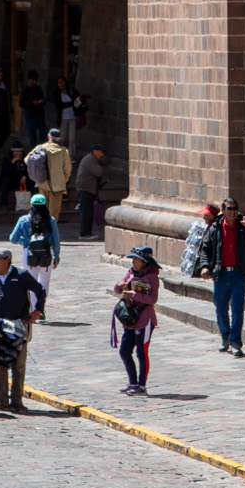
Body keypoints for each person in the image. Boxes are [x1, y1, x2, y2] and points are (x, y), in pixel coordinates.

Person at [0, 245, 37, 412]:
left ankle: (17, 401)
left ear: (8, 260)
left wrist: (37, 311)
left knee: (18, 366)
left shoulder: (21, 276)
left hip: (17, 327)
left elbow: (40, 290)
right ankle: (2, 402)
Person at [202, 195, 245, 354]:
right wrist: (205, 266)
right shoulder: (216, 228)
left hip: (239, 274)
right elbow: (206, 249)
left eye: (235, 209)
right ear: (223, 210)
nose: (233, 212)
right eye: (229, 209)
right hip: (221, 274)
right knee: (220, 307)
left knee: (237, 309)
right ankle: (225, 336)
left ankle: (235, 342)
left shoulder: (243, 226)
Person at [112, 243, 161, 393]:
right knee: (124, 351)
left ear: (144, 262)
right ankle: (132, 383)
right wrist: (119, 285)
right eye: (133, 260)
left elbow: (152, 299)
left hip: (145, 319)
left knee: (141, 353)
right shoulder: (130, 273)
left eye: (136, 260)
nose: (133, 263)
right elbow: (118, 289)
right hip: (131, 320)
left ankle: (142, 385)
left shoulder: (152, 277)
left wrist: (134, 295)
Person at [10, 193, 60, 319]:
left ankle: (34, 310)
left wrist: (25, 242)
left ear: (31, 205)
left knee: (32, 283)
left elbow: (13, 238)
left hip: (29, 253)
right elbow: (56, 240)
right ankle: (40, 309)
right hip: (47, 253)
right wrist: (57, 256)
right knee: (44, 282)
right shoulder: (50, 220)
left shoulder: (23, 220)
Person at [74, 143, 107, 239]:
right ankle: (84, 233)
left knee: (89, 212)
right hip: (85, 189)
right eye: (100, 152)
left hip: (88, 189)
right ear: (95, 151)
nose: (102, 155)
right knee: (86, 212)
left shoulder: (92, 159)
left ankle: (88, 233)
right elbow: (98, 172)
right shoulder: (89, 159)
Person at [19, 69, 47, 147]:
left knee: (43, 134)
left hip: (39, 115)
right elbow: (21, 103)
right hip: (30, 116)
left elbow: (44, 100)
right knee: (32, 137)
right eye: (33, 80)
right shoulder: (25, 90)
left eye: (35, 80)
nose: (34, 82)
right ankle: (33, 151)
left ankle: (40, 149)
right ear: (29, 80)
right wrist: (31, 102)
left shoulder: (38, 89)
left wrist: (42, 101)